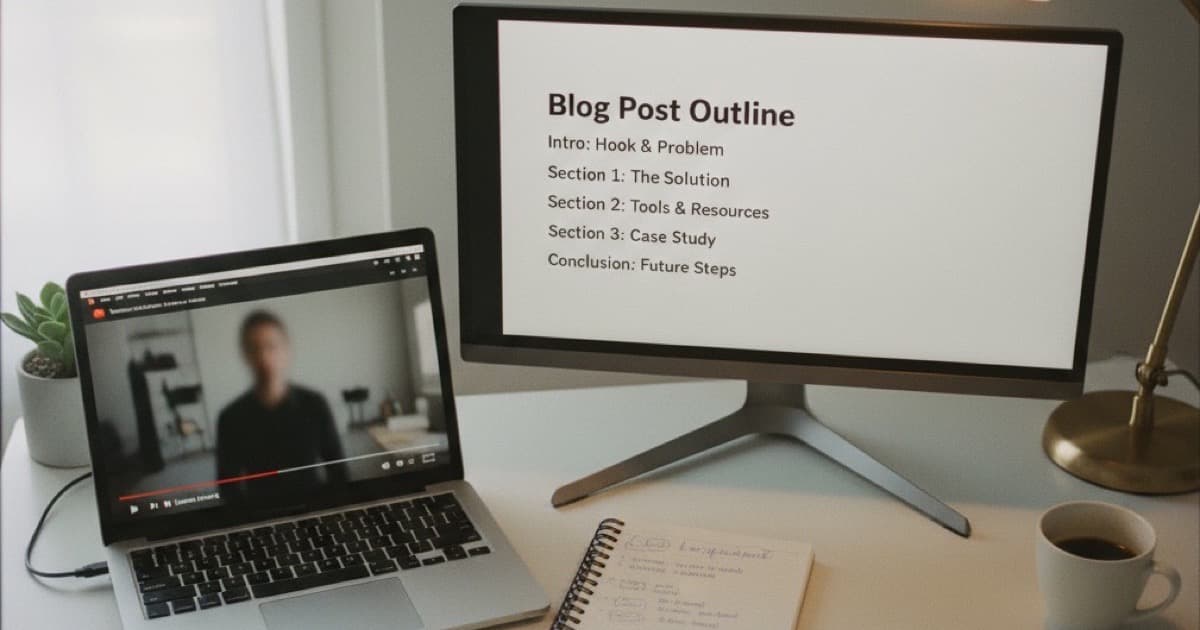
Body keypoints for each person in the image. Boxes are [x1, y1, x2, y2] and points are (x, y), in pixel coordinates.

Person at [216, 310, 346, 502]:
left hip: (314, 506)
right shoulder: (230, 418)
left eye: (271, 346)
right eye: (254, 348)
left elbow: (338, 472)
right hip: (260, 514)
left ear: (287, 350)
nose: (264, 357)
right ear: (245, 355)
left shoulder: (314, 404)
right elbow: (229, 490)